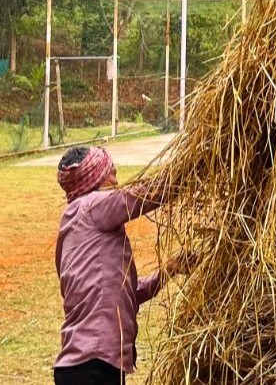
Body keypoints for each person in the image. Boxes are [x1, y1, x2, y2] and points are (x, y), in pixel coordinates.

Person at [52, 146, 185, 385]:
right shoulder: (93, 206)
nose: (116, 179)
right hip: (93, 366)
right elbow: (146, 195)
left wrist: (170, 270)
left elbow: (125, 294)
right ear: (95, 178)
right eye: (111, 173)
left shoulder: (73, 224)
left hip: (84, 366)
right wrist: (190, 169)